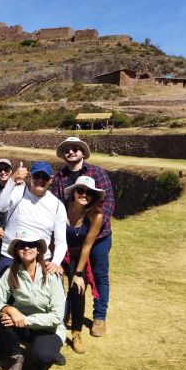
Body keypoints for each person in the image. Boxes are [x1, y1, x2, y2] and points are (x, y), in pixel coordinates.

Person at [52, 137, 114, 337]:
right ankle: (70, 312)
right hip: (72, 238)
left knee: (99, 275)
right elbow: (55, 204)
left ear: (82, 152)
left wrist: (90, 224)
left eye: (75, 149)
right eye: (67, 150)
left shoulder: (97, 173)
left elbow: (108, 202)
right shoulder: (60, 177)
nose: (71, 152)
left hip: (98, 235)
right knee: (73, 275)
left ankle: (99, 317)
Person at [0, 230, 66, 370]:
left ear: (38, 250)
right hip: (22, 325)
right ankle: (16, 359)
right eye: (22, 245)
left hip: (48, 327)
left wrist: (26, 320)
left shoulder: (51, 273)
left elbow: (57, 316)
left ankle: (50, 351)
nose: (26, 248)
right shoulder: (11, 273)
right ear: (16, 251)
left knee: (42, 358)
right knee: (4, 316)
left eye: (31, 245)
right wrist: (9, 309)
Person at [0, 161, 67, 283]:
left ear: (50, 180)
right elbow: (1, 206)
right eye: (37, 176)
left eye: (44, 177)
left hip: (40, 259)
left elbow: (61, 241)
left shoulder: (57, 205)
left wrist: (55, 262)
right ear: (30, 176)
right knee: (2, 300)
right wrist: (12, 179)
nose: (40, 180)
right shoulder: (19, 192)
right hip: (11, 256)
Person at [62, 176, 105, 354]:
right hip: (59, 251)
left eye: (89, 193)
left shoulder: (96, 216)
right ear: (74, 192)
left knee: (77, 289)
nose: (84, 195)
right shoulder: (61, 208)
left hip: (78, 254)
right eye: (81, 190)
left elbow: (87, 245)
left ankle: (76, 332)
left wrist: (79, 274)